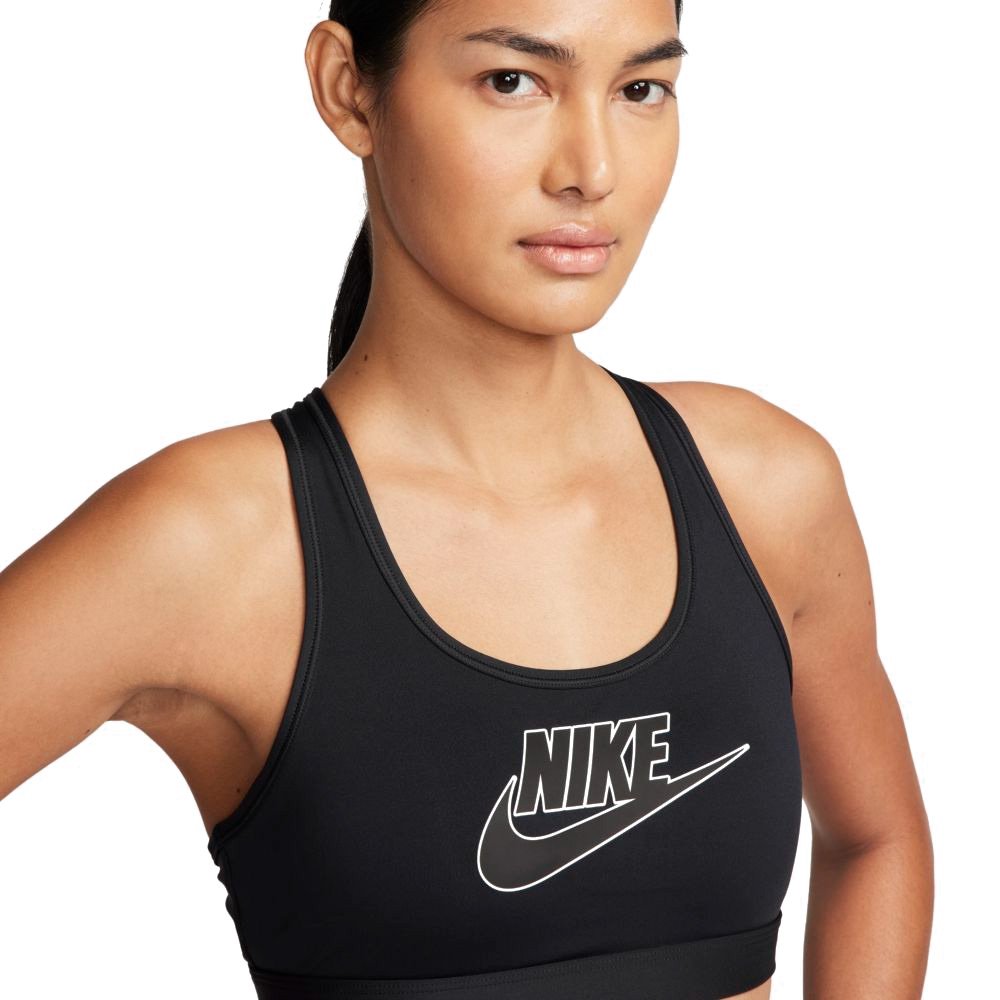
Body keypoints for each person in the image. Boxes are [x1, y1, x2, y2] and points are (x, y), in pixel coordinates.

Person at [0, 1, 934, 998]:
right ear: (348, 90)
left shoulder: (763, 485)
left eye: (640, 89)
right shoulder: (214, 541)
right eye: (512, 82)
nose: (592, 169)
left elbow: (877, 840)